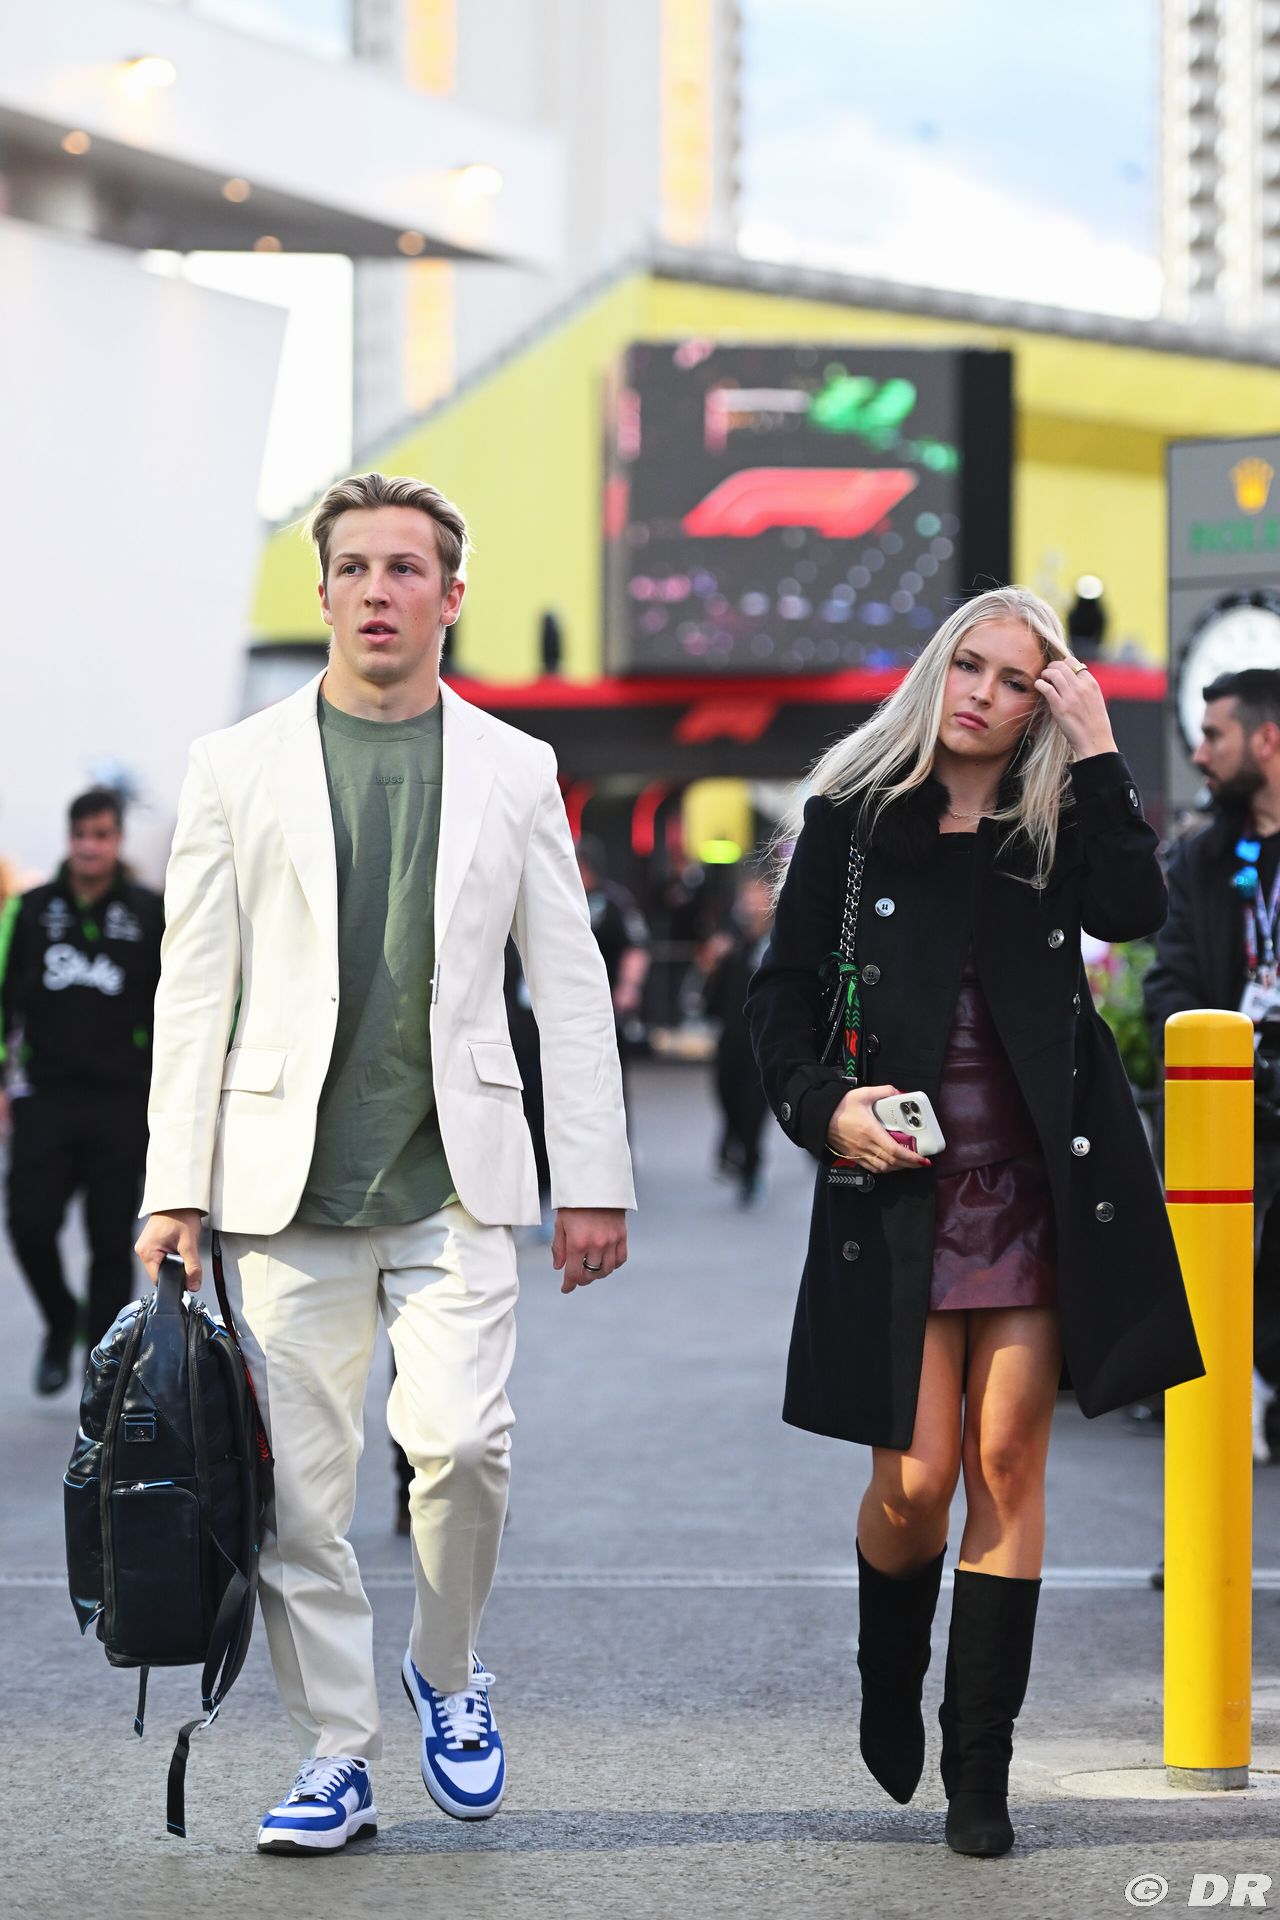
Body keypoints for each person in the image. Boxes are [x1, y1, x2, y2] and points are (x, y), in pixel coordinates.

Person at [134, 471, 634, 1857]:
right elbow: (195, 990)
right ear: (322, 592)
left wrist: (594, 1176)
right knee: (301, 1494)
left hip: (453, 1177)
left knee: (462, 1446)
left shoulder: (516, 768)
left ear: (449, 597)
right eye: (353, 568)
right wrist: (174, 1187)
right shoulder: (234, 766)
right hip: (281, 1187)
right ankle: (335, 1752)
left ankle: (447, 1672)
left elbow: (570, 984)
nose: (376, 591)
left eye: (404, 569)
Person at [746, 585, 1202, 1859]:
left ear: (1037, 707)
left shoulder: (1051, 824)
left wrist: (1098, 745)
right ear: (935, 672)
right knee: (914, 1482)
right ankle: (887, 1672)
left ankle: (977, 1767)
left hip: (1036, 1187)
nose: (984, 696)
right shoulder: (850, 819)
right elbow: (779, 1002)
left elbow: (1135, 911)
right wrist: (826, 1109)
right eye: (969, 666)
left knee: (1005, 1462)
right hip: (897, 1189)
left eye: (1016, 681)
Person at [1143, 666, 1280, 1461]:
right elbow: (1169, 985)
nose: (1200, 754)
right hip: (1230, 1116)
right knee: (1215, 1297)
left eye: (1214, 736)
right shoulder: (1201, 860)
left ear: (1267, 740)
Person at [0, 789, 163, 1392]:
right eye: (81, 835)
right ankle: (59, 1319)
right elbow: (4, 995)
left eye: (101, 835)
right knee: (29, 1224)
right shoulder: (31, 909)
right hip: (45, 1096)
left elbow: (175, 1006)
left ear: (117, 839)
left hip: (122, 1102)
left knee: (108, 1240)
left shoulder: (149, 913)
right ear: (68, 837)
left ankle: (103, 1375)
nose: (90, 847)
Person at [696, 873, 774, 1204]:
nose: (751, 906)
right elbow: (708, 992)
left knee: (754, 1107)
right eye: (748, 899)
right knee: (726, 1096)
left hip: (764, 1040)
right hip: (730, 1037)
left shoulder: (778, 942)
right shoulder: (730, 940)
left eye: (758, 899)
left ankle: (751, 1168)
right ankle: (734, 1145)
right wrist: (712, 962)